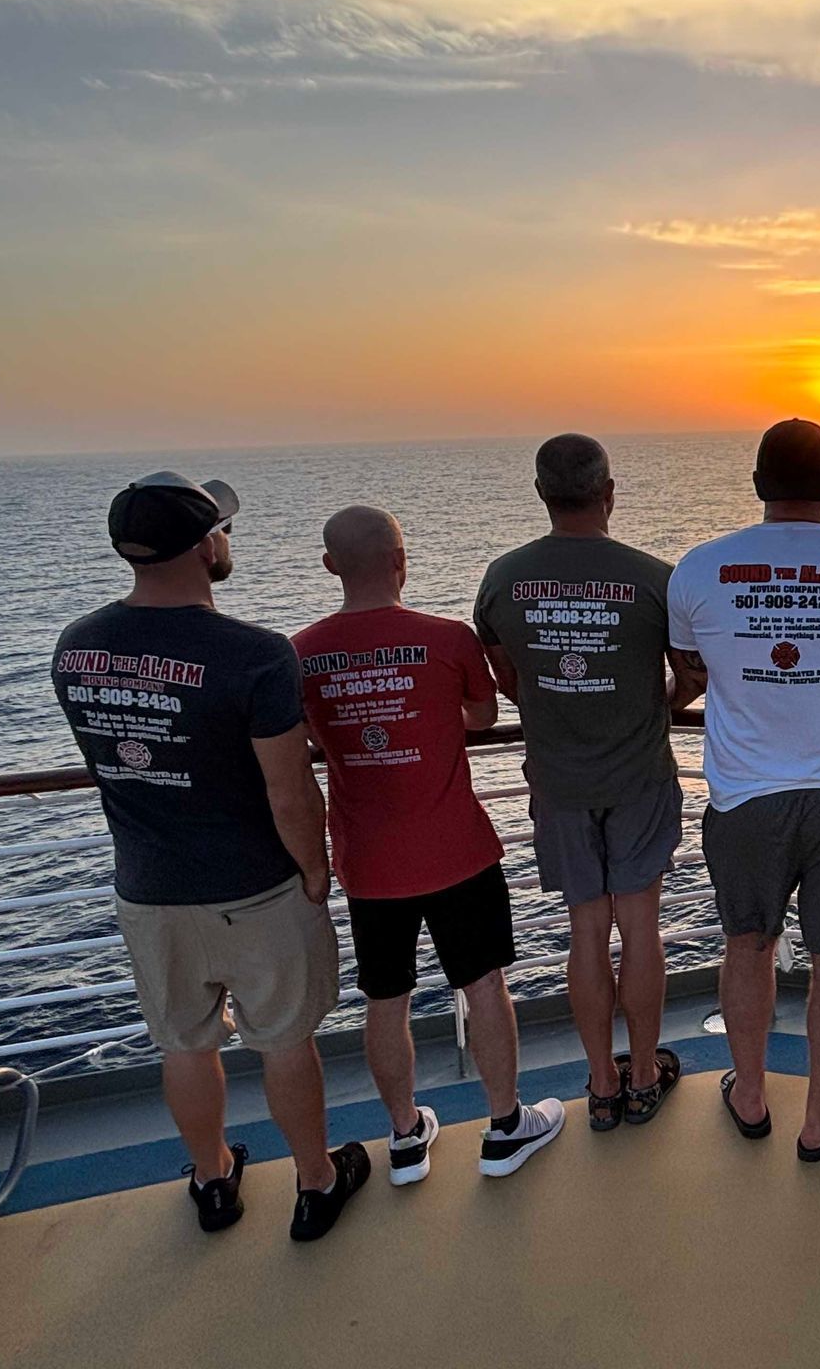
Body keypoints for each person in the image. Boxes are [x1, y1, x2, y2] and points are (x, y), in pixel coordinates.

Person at [50, 472, 368, 1242]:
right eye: (222, 528)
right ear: (203, 547)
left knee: (184, 1043)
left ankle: (214, 1179)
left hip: (148, 887)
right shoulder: (254, 656)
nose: (228, 538)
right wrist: (317, 871)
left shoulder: (76, 647)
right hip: (254, 887)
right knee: (284, 1039)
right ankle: (316, 1183)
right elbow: (289, 791)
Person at [294, 506, 566, 1183]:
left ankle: (406, 1138)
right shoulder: (446, 639)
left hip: (367, 860)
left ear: (330, 566)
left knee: (385, 998)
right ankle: (506, 1127)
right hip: (456, 849)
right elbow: (481, 714)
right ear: (400, 559)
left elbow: (303, 738)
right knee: (484, 985)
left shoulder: (298, 653)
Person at [668, 419, 820, 1161]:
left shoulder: (699, 569)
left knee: (747, 945)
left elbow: (693, 672)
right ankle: (818, 1117)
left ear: (757, 486)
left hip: (745, 797)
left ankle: (748, 1094)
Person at [476, 436, 684, 1131]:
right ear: (609, 493)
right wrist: (658, 703)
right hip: (639, 778)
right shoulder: (656, 579)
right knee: (642, 929)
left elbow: (506, 677)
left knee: (586, 933)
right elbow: (694, 677)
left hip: (559, 782)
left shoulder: (503, 579)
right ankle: (646, 1074)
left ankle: (601, 1084)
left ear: (541, 494)